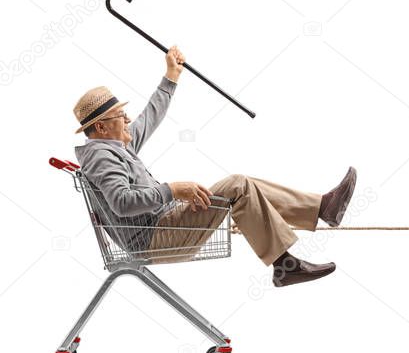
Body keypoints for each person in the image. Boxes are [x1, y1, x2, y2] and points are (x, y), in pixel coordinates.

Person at [72, 45, 357, 288]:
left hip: (165, 225)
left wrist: (171, 77)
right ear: (101, 126)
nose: (128, 118)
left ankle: (311, 224)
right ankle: (305, 233)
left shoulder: (117, 146)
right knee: (238, 185)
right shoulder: (101, 157)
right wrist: (172, 190)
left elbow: (150, 117)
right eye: (120, 115)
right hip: (156, 237)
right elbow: (122, 203)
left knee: (243, 189)